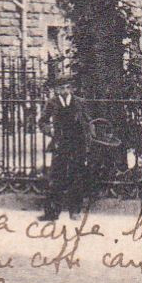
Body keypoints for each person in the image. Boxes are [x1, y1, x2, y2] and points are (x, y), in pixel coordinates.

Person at [38, 75, 88, 220]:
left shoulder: (80, 102)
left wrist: (87, 142)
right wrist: (50, 130)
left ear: (72, 88)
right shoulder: (51, 103)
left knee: (76, 176)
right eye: (61, 88)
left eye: (67, 87)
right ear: (56, 90)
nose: (65, 91)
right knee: (56, 177)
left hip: (77, 144)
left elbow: (87, 122)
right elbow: (42, 122)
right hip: (60, 144)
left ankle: (75, 211)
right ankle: (52, 212)